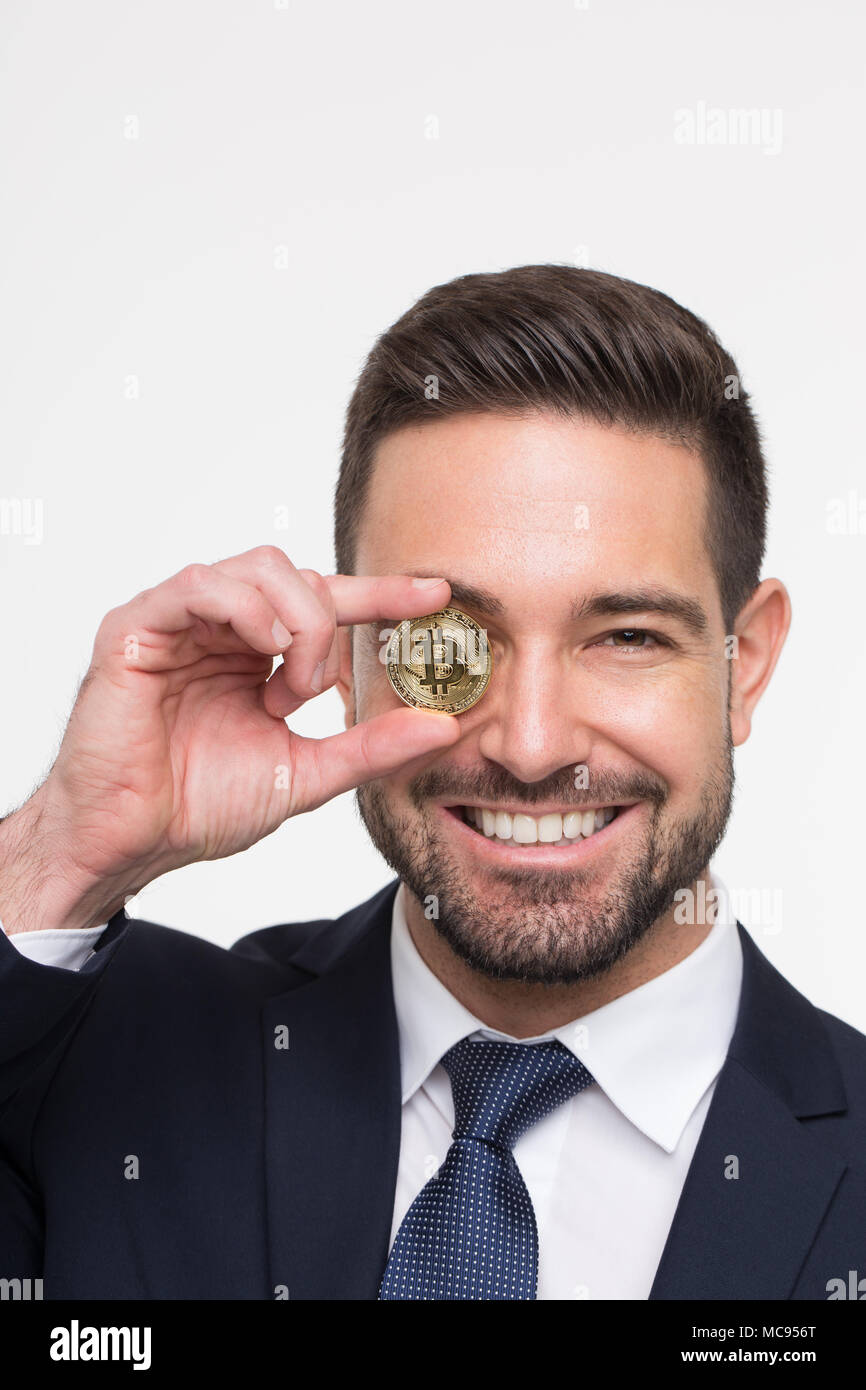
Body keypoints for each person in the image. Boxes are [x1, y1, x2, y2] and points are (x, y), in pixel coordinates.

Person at [1, 265, 863, 1301]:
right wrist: (60, 848)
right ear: (348, 651)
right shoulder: (97, 1069)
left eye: (625, 635)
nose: (532, 745)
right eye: (448, 642)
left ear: (745, 661)